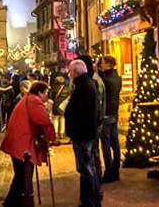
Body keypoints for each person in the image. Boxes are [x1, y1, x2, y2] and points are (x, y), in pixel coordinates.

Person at [0, 81, 55, 207]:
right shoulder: (34, 101)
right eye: (45, 93)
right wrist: (48, 113)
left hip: (18, 138)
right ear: (39, 92)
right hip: (23, 141)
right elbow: (42, 119)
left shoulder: (28, 99)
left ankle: (13, 200)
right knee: (23, 174)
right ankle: (16, 201)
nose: (46, 96)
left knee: (21, 174)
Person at [64, 59, 100, 207]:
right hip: (85, 132)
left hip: (82, 133)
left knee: (86, 169)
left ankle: (89, 201)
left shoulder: (83, 87)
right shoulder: (86, 85)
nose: (69, 74)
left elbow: (78, 111)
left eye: (71, 71)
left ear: (76, 72)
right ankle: (90, 198)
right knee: (87, 167)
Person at [77, 54, 106, 202]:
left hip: (92, 126)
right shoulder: (93, 81)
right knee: (92, 159)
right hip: (93, 125)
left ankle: (95, 192)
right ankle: (94, 192)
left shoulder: (93, 82)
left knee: (92, 160)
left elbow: (96, 107)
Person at [99, 55, 122, 183]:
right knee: (115, 143)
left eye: (102, 63)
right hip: (114, 113)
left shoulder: (105, 79)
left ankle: (109, 172)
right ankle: (116, 170)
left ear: (108, 64)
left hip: (106, 114)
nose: (100, 65)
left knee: (106, 144)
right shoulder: (118, 78)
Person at [48, 67, 70, 144]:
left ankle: (56, 132)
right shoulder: (67, 88)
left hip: (56, 106)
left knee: (56, 119)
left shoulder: (53, 88)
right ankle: (62, 133)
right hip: (64, 106)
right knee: (63, 119)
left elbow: (50, 98)